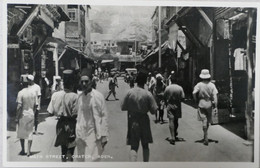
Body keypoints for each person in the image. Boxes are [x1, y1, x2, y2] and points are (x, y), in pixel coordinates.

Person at [121, 71, 158, 162]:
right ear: (145, 81)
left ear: (136, 80)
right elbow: (154, 111)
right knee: (145, 145)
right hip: (144, 120)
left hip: (133, 120)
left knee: (134, 146)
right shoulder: (148, 94)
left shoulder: (129, 92)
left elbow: (123, 107)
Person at [75, 75, 108, 162]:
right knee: (81, 159)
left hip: (93, 131)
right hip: (81, 131)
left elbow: (104, 115)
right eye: (82, 82)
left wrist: (104, 135)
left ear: (91, 82)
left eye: (86, 81)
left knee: (93, 158)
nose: (84, 84)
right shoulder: (79, 97)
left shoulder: (98, 96)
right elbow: (78, 115)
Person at [47, 70, 78, 162]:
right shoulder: (75, 96)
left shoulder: (55, 95)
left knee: (63, 149)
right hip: (71, 124)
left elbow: (50, 112)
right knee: (70, 150)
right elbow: (75, 114)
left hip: (60, 124)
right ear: (72, 84)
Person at [192, 69, 218, 146]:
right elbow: (215, 96)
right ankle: (205, 134)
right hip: (209, 104)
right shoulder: (212, 85)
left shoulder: (199, 84)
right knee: (207, 120)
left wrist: (196, 99)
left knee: (204, 120)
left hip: (201, 103)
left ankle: (205, 136)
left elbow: (194, 93)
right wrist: (215, 106)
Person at [16, 75, 38, 157]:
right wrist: (33, 112)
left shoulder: (20, 93)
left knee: (21, 132)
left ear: (22, 84)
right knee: (30, 133)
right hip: (31, 114)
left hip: (23, 115)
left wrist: (16, 117)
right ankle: (29, 151)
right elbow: (36, 105)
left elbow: (19, 106)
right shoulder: (33, 92)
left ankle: (23, 150)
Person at [164, 75, 185, 145]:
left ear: (171, 80)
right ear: (176, 80)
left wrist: (166, 102)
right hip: (177, 106)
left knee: (171, 120)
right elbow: (183, 98)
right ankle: (175, 132)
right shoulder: (180, 88)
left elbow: (164, 96)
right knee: (176, 120)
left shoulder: (168, 88)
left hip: (170, 105)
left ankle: (172, 137)